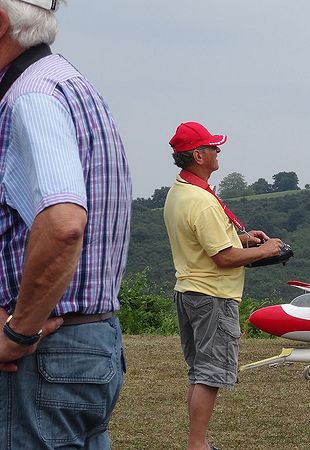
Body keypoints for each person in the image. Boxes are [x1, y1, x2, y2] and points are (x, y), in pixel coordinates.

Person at [0, 1, 130, 447]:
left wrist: (18, 331)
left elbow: (64, 225)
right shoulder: (69, 84)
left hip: (41, 357)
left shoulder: (30, 98)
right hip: (86, 342)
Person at [164, 121, 283, 450]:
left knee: (199, 370)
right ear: (199, 155)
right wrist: (266, 249)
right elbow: (224, 258)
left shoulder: (179, 192)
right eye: (213, 146)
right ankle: (198, 444)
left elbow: (205, 242)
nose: (219, 151)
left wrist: (243, 238)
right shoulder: (202, 201)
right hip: (213, 296)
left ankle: (197, 441)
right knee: (211, 374)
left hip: (189, 290)